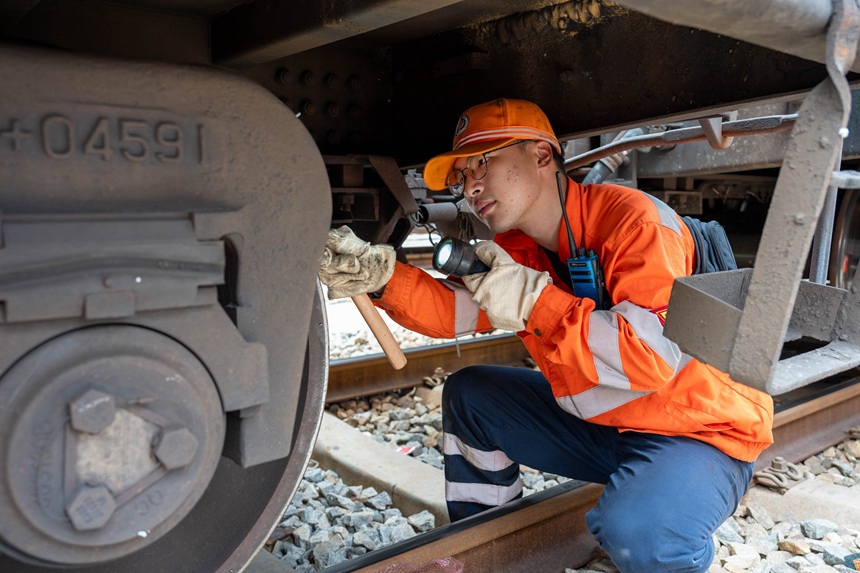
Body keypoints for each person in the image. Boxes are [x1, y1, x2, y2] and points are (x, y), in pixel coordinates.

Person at [319, 98, 774, 573]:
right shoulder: (519, 249)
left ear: (540, 154)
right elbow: (453, 311)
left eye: (482, 162)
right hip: (610, 428)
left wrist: (537, 302)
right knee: (471, 396)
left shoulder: (635, 224)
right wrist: (381, 278)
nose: (470, 186)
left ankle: (675, 533)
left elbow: (647, 359)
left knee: (639, 533)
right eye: (462, 175)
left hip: (697, 432)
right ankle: (489, 551)